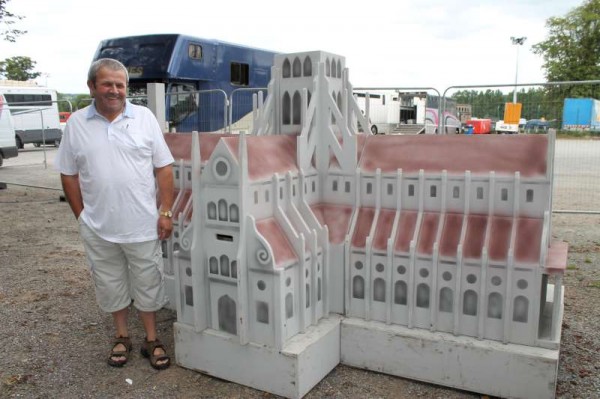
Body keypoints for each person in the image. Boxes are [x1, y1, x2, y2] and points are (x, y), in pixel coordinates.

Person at [55, 58, 175, 370]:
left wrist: (165, 211)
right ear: (92, 86)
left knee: (148, 281)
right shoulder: (77, 125)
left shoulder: (144, 118)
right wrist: (81, 216)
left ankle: (152, 339)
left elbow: (163, 168)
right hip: (98, 226)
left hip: (142, 224)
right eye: (107, 84)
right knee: (110, 282)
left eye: (120, 85)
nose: (115, 90)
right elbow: (68, 174)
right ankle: (121, 336)